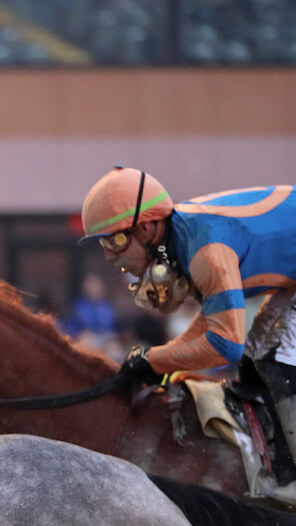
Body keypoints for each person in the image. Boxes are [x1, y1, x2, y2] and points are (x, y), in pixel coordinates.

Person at [79, 167, 296, 477]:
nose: (109, 257)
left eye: (114, 240)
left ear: (147, 228)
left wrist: (154, 360)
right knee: (259, 349)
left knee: (277, 355)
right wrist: (157, 361)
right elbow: (212, 321)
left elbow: (225, 345)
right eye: (104, 245)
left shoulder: (204, 251)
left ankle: (289, 482)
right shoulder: (182, 236)